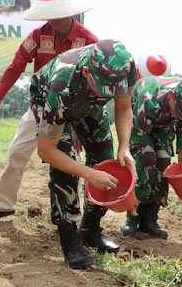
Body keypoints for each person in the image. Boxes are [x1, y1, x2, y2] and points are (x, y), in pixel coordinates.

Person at [0, 0, 96, 223]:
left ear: (70, 12)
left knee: (71, 163)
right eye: (48, 15)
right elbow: (15, 67)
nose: (52, 20)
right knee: (15, 154)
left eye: (57, 15)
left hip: (72, 112)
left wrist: (79, 127)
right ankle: (4, 204)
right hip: (39, 108)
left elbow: (94, 82)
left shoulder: (87, 40)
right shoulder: (38, 36)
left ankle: (73, 216)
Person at [30, 39, 136, 269]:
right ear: (88, 72)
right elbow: (47, 151)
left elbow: (123, 107)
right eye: (105, 89)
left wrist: (124, 147)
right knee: (64, 166)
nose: (111, 94)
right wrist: (88, 173)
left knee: (106, 157)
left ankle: (90, 228)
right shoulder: (61, 87)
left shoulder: (124, 66)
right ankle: (69, 238)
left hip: (89, 105)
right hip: (52, 95)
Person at [121, 75, 182, 239]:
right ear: (172, 97)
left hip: (164, 124)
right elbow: (137, 140)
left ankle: (150, 219)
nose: (179, 116)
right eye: (178, 111)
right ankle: (133, 217)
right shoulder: (149, 100)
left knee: (163, 166)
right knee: (145, 161)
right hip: (142, 122)